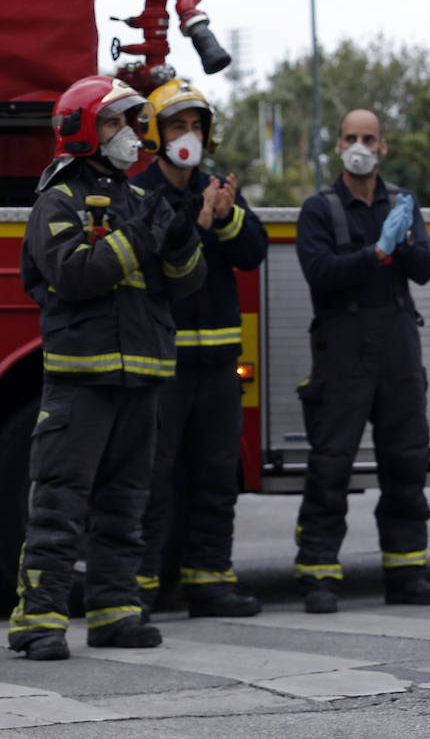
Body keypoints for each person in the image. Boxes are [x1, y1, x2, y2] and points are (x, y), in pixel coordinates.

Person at [10, 75, 206, 662]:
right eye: (116, 122)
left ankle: (116, 611)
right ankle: (38, 619)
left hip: (141, 373)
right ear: (82, 130)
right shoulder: (59, 200)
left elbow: (184, 286)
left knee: (127, 500)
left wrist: (180, 243)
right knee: (61, 501)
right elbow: (73, 274)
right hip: (81, 377)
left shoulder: (141, 200)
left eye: (131, 122)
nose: (130, 135)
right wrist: (143, 239)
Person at [131, 81, 267, 619]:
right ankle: (139, 587)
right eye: (177, 126)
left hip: (217, 367)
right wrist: (201, 220)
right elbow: (156, 262)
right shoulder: (140, 191)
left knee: (215, 476)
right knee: (153, 478)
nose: (188, 136)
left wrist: (228, 215)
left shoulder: (218, 188)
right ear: (157, 135)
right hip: (163, 366)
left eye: (196, 126)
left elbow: (253, 252)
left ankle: (209, 583)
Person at [293, 108, 430, 614]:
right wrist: (378, 252)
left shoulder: (401, 203)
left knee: (407, 460)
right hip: (343, 349)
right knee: (331, 464)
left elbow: (423, 271)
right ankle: (319, 574)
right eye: (351, 137)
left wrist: (408, 243)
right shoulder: (318, 209)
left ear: (383, 147)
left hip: (396, 344)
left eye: (369, 138)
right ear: (338, 146)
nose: (360, 146)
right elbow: (321, 272)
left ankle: (407, 571)